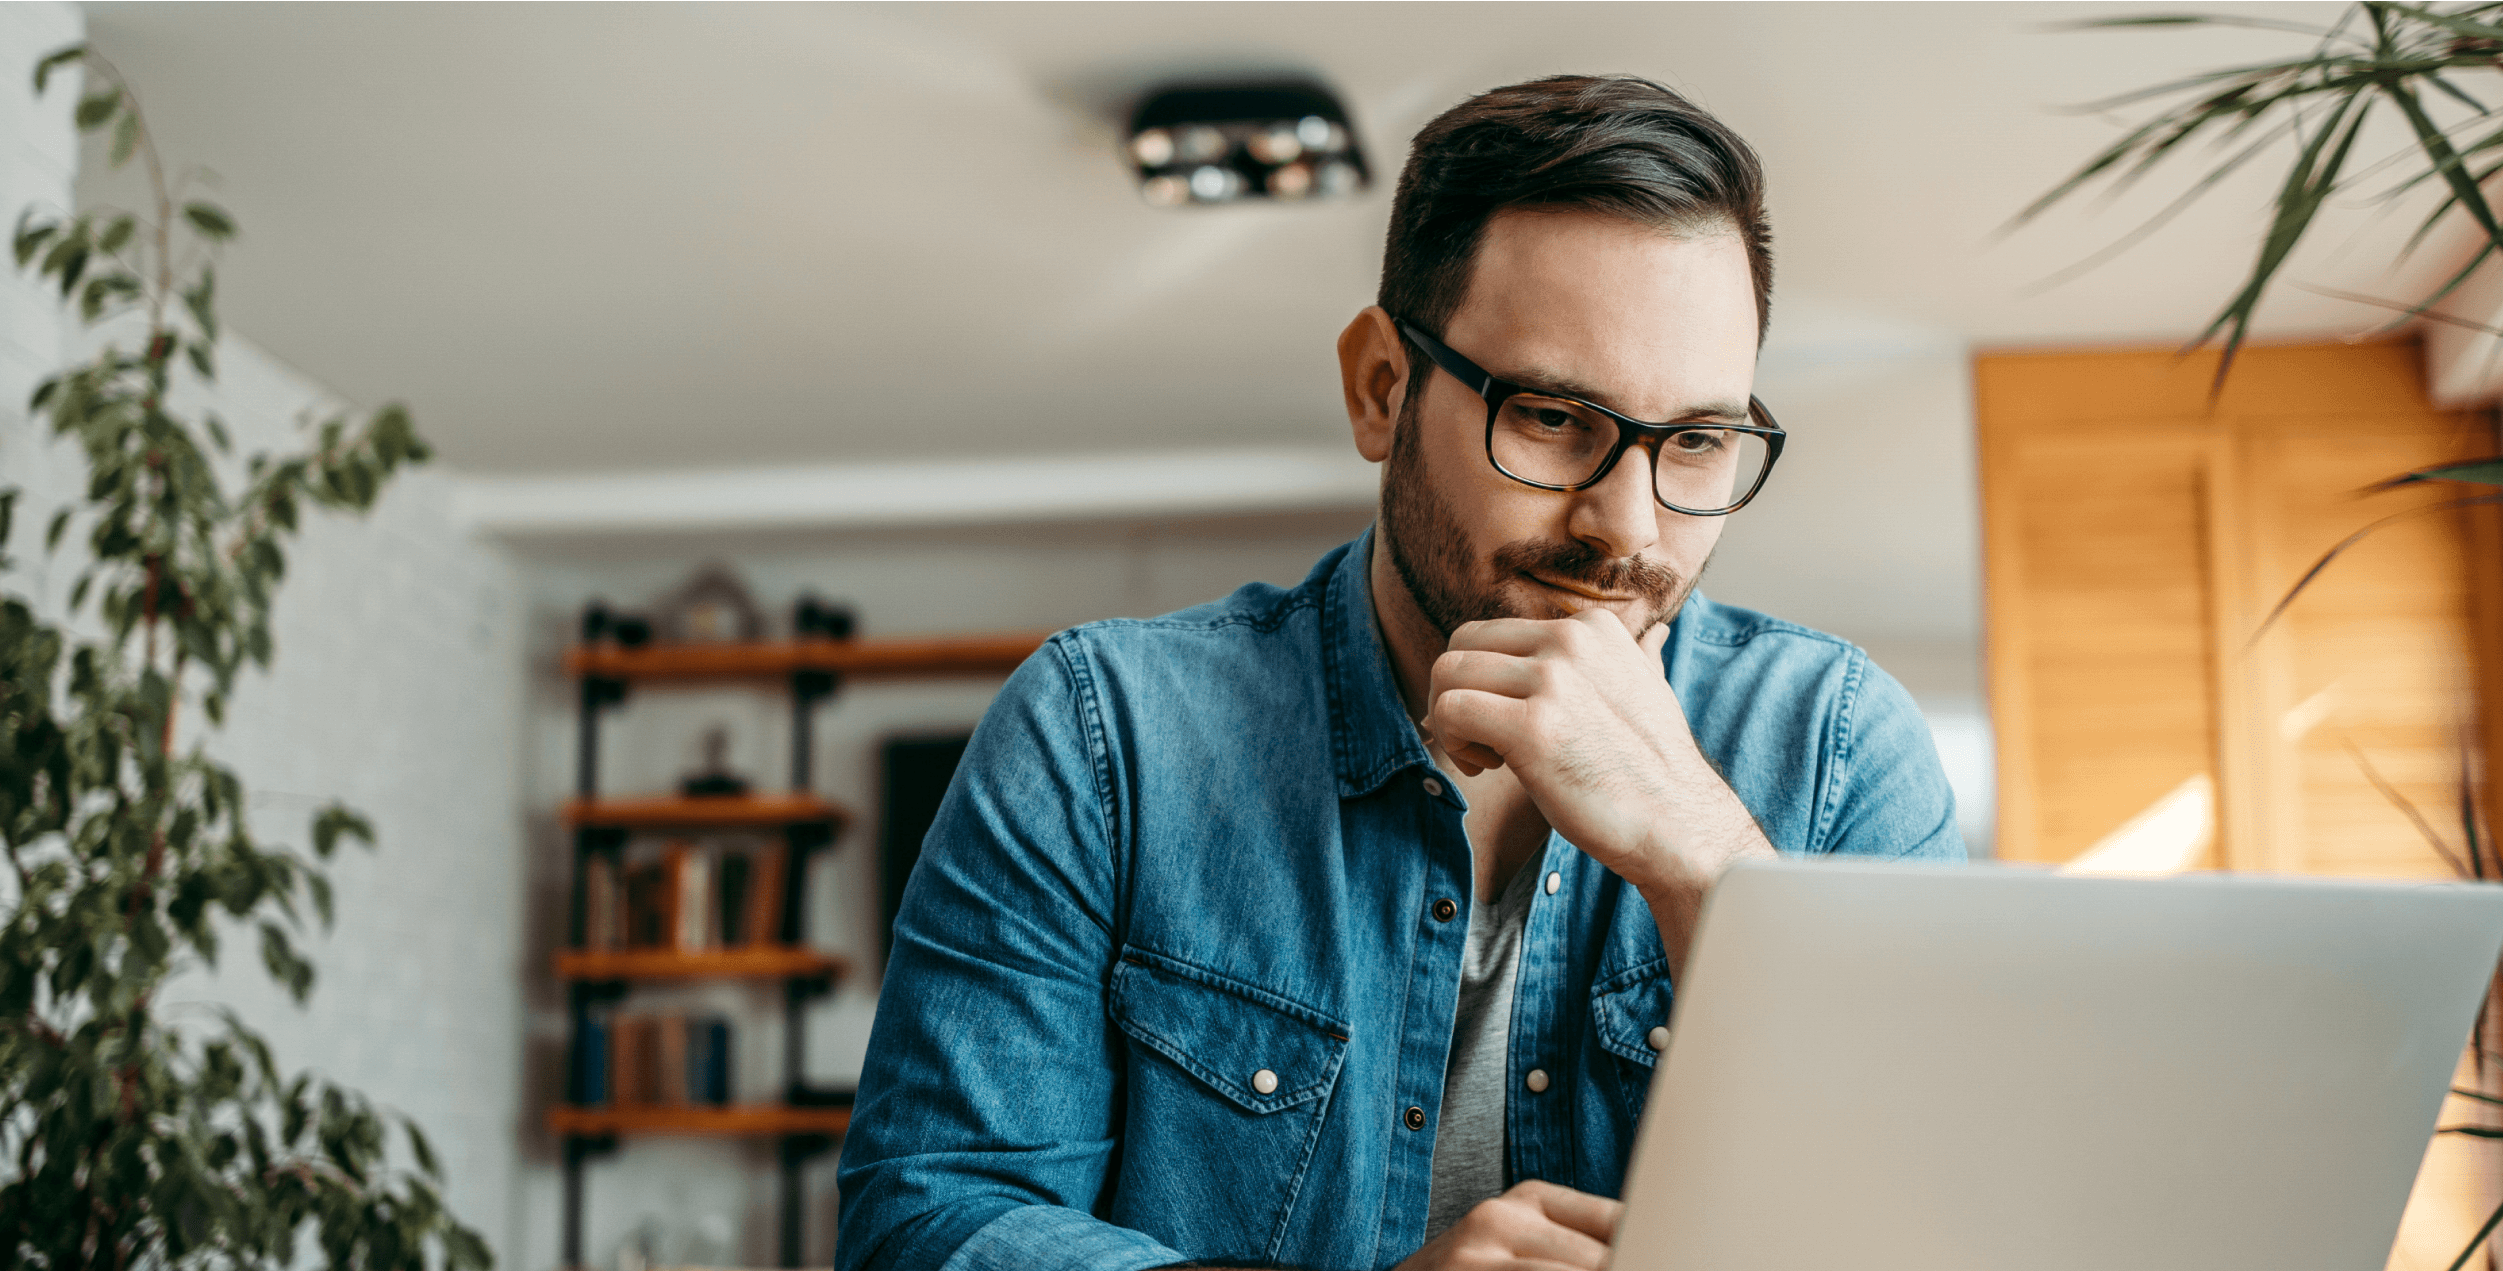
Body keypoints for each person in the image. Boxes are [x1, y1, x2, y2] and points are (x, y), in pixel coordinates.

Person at [835, 74, 1964, 1271]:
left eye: (1695, 440)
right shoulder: (1100, 733)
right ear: (1382, 386)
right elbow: (928, 1225)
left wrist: (1705, 863)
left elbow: (1951, 1224)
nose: (1629, 526)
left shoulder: (1840, 748)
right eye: (1552, 417)